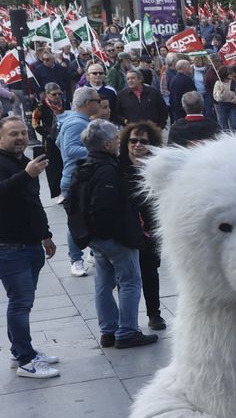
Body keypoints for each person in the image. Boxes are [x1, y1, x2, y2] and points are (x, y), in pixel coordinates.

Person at [72, 119, 159, 350]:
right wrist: (120, 235)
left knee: (103, 282)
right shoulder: (107, 170)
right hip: (114, 238)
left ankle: (108, 330)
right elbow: (105, 208)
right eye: (115, 138)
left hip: (97, 238)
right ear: (107, 144)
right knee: (130, 282)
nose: (118, 142)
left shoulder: (87, 166)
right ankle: (127, 331)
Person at [0, 116, 58, 378]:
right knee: (20, 303)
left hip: (31, 244)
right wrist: (26, 175)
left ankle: (21, 350)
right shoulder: (12, 165)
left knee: (24, 301)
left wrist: (45, 234)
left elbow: (33, 202)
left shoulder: (25, 162)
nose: (21, 138)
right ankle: (26, 361)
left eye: (23, 133)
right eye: (13, 134)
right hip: (10, 247)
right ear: (1, 138)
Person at [118, 122, 167, 331]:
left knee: (150, 272)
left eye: (143, 141)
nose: (138, 145)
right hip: (125, 229)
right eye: (133, 141)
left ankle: (154, 313)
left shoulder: (157, 168)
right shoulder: (118, 166)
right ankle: (125, 320)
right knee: (124, 277)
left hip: (150, 229)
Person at [57, 86, 102, 277]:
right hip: (75, 179)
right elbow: (69, 149)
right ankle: (76, 259)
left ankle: (91, 253)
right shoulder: (76, 123)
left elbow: (59, 143)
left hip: (82, 177)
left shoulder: (77, 121)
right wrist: (98, 150)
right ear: (87, 103)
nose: (100, 104)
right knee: (76, 221)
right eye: (97, 101)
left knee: (88, 217)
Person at [30, 83, 64, 199]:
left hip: (63, 136)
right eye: (54, 94)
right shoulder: (40, 106)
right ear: (47, 94)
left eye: (59, 94)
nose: (57, 96)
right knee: (53, 166)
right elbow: (35, 123)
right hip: (50, 140)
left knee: (64, 163)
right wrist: (47, 134)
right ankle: (57, 192)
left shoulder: (63, 103)